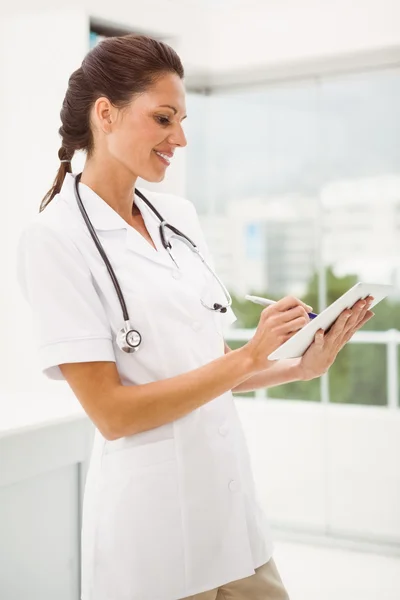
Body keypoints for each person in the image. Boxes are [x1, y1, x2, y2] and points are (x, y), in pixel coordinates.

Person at [16, 34, 374, 600]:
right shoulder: (55, 239)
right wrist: (253, 356)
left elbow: (208, 368)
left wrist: (296, 367)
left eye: (181, 120)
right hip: (152, 540)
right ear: (105, 114)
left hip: (232, 521)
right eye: (163, 119)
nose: (179, 138)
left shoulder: (176, 217)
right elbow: (112, 414)